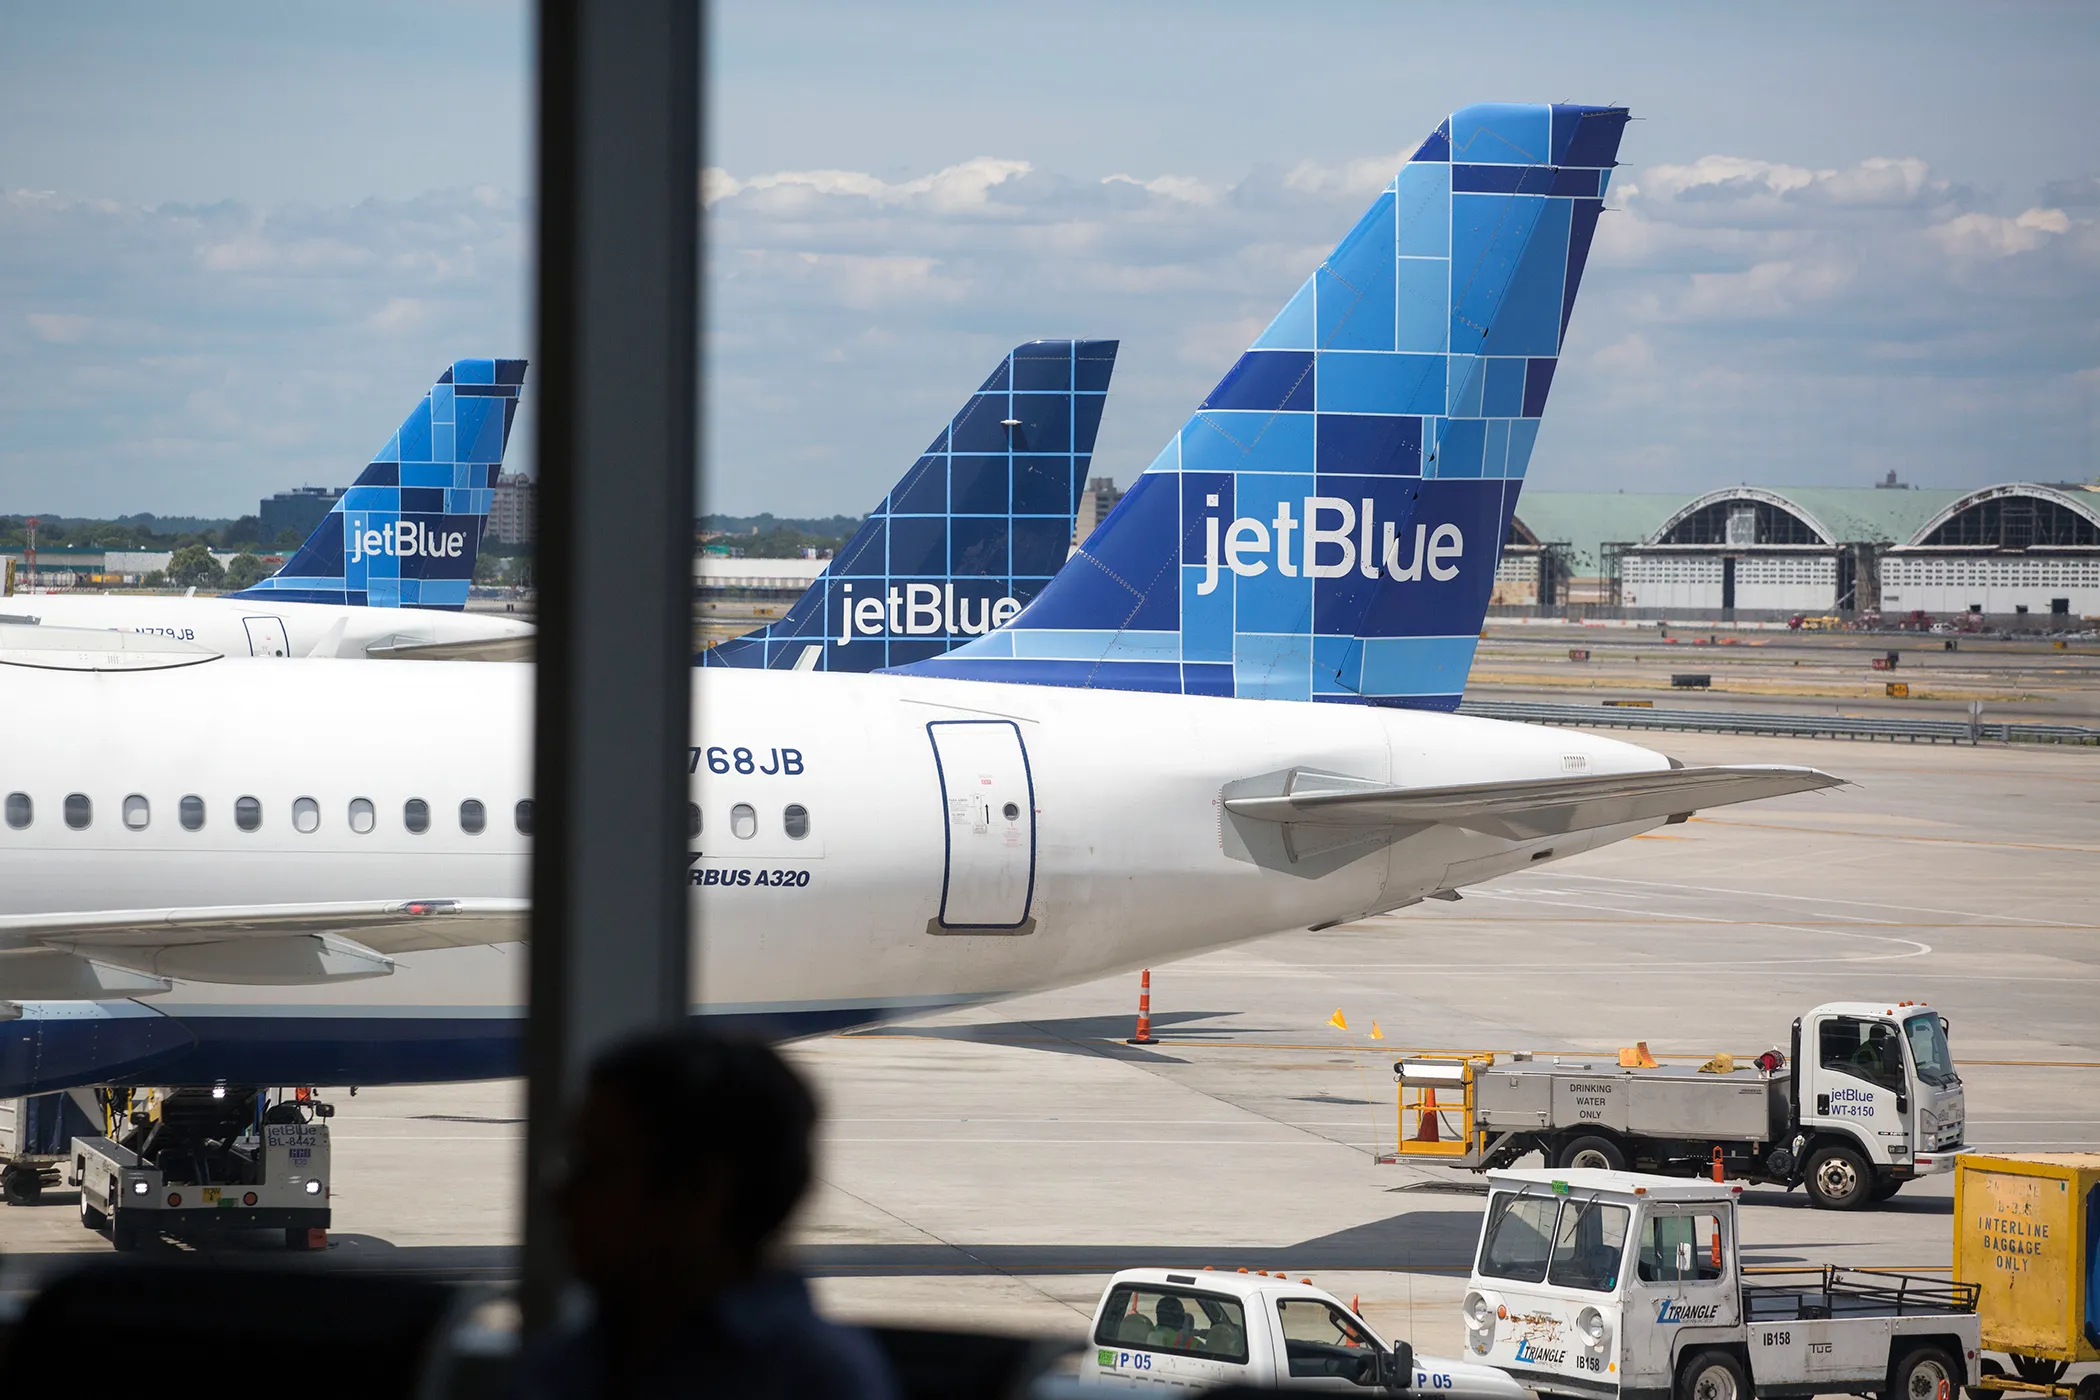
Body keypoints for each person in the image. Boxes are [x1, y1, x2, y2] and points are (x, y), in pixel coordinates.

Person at [513, 1029, 897, 1399]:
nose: (558, 1196)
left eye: (596, 1169)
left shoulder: (804, 1378)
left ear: (700, 1192)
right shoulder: (579, 1359)